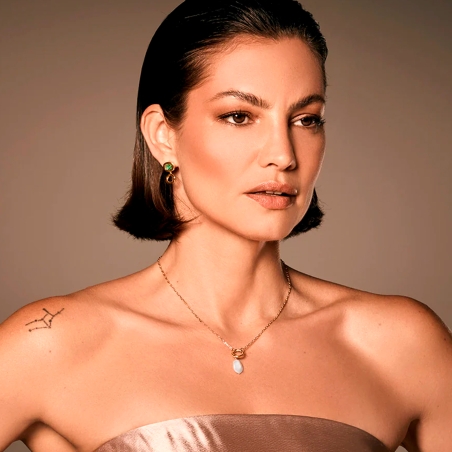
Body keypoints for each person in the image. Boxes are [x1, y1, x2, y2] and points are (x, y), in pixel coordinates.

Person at [1, 0, 451, 451]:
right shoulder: (52, 343)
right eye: (239, 116)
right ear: (162, 135)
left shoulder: (401, 345)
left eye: (306, 119)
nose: (283, 154)